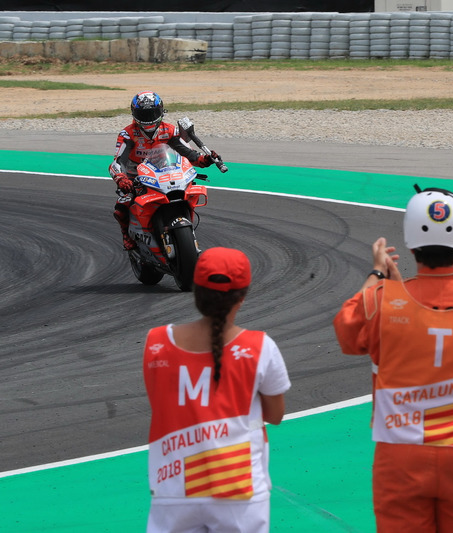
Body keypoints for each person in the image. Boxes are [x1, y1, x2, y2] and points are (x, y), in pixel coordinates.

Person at [333, 185, 453, 532]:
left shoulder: (381, 302)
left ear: (411, 243)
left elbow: (348, 331)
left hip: (400, 455)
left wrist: (379, 276)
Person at [143, 247, 291, 532]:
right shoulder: (260, 347)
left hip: (173, 488)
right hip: (238, 487)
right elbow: (275, 414)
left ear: (196, 290)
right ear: (242, 296)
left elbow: (161, 402)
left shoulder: (155, 342)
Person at [110, 91, 219, 250]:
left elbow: (187, 152)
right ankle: (127, 235)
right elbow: (118, 161)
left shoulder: (170, 130)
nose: (148, 118)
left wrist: (204, 159)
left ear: (161, 111)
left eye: (152, 113)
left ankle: (185, 226)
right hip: (136, 176)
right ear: (134, 113)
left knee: (189, 190)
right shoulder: (127, 134)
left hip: (166, 171)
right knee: (122, 206)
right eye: (143, 114)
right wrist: (121, 178)